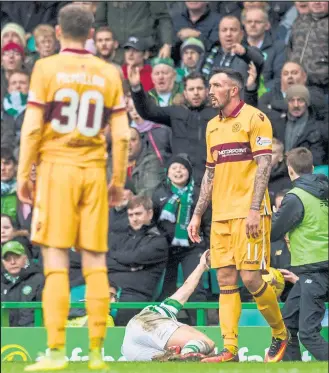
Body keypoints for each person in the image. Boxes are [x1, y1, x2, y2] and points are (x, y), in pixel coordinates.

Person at [16, 5, 130, 372]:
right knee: (96, 262)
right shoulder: (109, 71)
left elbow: (32, 128)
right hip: (94, 170)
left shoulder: (46, 68)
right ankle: (97, 353)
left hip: (56, 169)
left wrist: (23, 176)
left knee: (55, 262)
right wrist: (117, 182)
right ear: (93, 33)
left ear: (58, 32)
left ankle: (56, 351)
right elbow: (123, 134)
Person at [187, 67, 289, 363]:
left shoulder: (256, 119)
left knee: (251, 279)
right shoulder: (211, 126)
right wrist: (197, 215)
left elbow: (263, 166)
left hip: (249, 212)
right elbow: (209, 173)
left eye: (216, 85)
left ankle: (280, 333)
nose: (210, 90)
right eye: (210, 84)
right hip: (220, 215)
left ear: (233, 90)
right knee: (226, 279)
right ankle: (229, 349)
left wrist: (255, 208)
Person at [271, 147, 328, 361]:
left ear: (290, 171)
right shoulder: (325, 191)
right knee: (287, 326)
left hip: (314, 268)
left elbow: (274, 232)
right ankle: (292, 367)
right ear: (312, 168)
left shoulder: (295, 197)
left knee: (308, 334)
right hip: (316, 269)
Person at [121, 249, 215, 361]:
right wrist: (201, 266)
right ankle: (186, 353)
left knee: (199, 354)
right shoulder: (164, 311)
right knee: (208, 344)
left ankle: (181, 355)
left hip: (131, 345)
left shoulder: (165, 308)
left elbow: (187, 288)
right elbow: (187, 288)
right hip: (148, 321)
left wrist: (201, 266)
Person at [152, 154, 209, 314]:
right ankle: (163, 326)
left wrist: (207, 245)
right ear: (168, 173)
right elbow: (152, 221)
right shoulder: (158, 193)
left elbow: (208, 222)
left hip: (192, 248)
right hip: (166, 249)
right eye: (174, 168)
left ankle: (199, 325)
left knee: (195, 289)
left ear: (189, 172)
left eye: (182, 168)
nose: (178, 171)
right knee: (166, 289)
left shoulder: (199, 194)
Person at [107, 196, 169, 326]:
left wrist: (116, 259)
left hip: (134, 296)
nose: (134, 218)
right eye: (130, 215)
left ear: (150, 213)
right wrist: (129, 266)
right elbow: (105, 260)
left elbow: (135, 258)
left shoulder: (158, 241)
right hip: (108, 289)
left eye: (138, 213)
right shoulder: (120, 237)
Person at [1, 240, 44, 327]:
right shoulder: (2, 283)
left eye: (16, 257)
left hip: (32, 335)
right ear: (3, 262)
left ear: (25, 258)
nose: (12, 262)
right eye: (7, 259)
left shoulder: (39, 280)